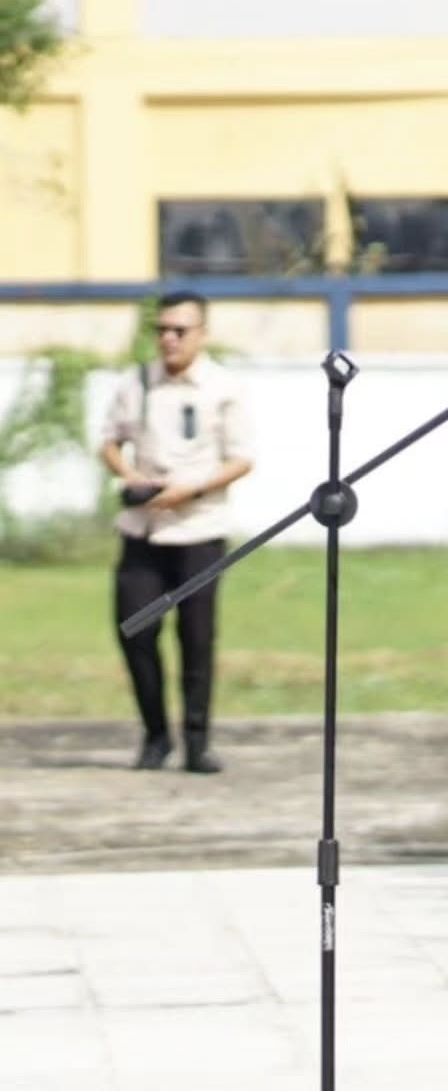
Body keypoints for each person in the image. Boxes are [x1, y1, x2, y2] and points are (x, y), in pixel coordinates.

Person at [100, 292, 253, 774]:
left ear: (201, 334)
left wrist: (193, 489)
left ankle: (197, 741)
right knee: (135, 629)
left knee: (197, 638)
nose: (169, 339)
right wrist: (129, 476)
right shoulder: (137, 383)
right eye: (162, 329)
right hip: (144, 531)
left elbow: (242, 458)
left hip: (198, 529)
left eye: (180, 330)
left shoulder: (222, 387)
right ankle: (155, 735)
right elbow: (109, 441)